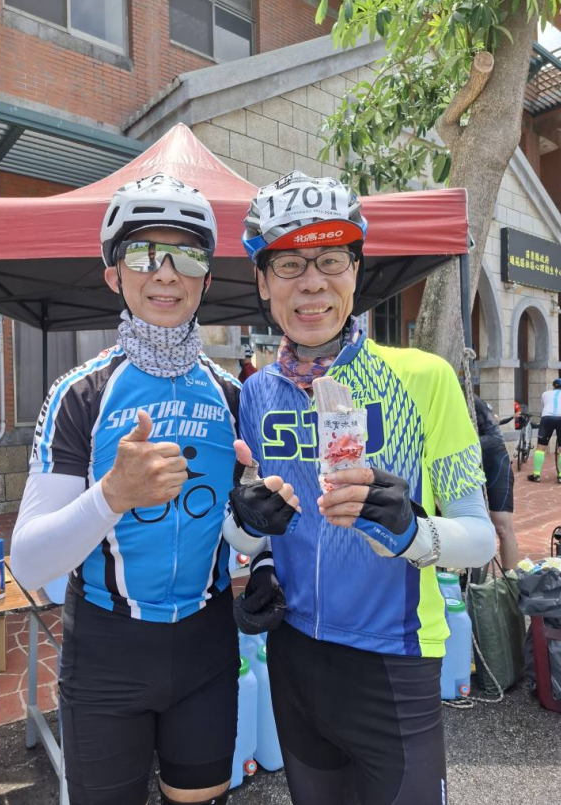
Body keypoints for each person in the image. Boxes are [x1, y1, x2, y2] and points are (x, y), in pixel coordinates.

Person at [10, 174, 284, 805]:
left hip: (206, 644)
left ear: (206, 279)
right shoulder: (79, 394)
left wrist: (261, 545)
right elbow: (28, 563)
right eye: (142, 254)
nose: (165, 273)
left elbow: (247, 524)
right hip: (107, 649)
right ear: (113, 275)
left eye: (186, 256)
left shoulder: (234, 395)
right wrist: (112, 493)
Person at [229, 171, 496, 805]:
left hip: (393, 661)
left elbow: (481, 538)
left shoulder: (425, 378)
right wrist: (254, 546)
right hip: (294, 655)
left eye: (331, 259)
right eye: (289, 263)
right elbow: (254, 536)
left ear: (356, 270)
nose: (312, 282)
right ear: (263, 281)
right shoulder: (256, 393)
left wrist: (411, 531)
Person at [473, 394, 519, 569]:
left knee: (502, 526)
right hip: (466, 468)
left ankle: (511, 580)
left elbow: (495, 437)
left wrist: (463, 444)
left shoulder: (470, 400)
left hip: (494, 463)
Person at [528, 378, 561, 483]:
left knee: (541, 447)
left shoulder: (545, 394)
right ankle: (560, 476)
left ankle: (536, 475)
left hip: (547, 418)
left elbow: (543, 407)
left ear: (553, 386)